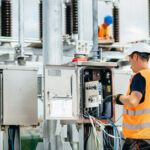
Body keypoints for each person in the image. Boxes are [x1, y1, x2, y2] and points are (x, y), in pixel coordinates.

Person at [115, 43, 150, 150]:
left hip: (139, 140)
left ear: (135, 57)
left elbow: (133, 101)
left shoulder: (140, 76)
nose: (130, 66)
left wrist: (118, 97)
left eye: (130, 61)